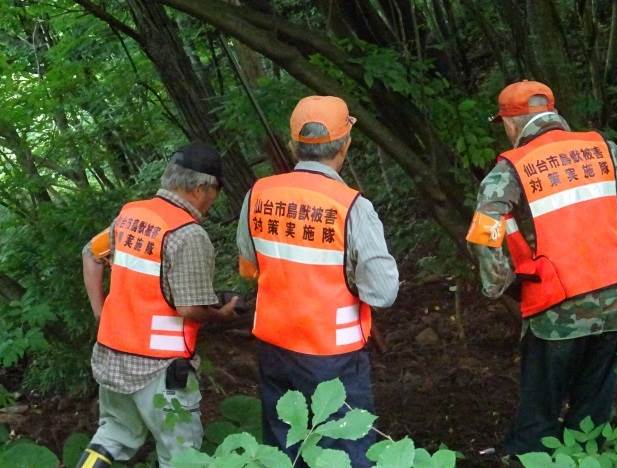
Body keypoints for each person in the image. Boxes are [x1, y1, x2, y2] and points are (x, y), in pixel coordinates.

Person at [236, 95, 399, 467]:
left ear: (294, 144)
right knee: (346, 451)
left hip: (274, 348)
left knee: (285, 450)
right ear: (346, 144)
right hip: (333, 358)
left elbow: (249, 266)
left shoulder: (258, 195)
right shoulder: (352, 206)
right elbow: (383, 291)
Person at [467, 80, 617, 458]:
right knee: (594, 407)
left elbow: (484, 230)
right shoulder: (606, 149)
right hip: (616, 301)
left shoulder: (512, 168)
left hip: (557, 311)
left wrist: (496, 283)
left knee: (540, 408)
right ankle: (587, 461)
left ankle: (528, 460)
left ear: (511, 122)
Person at [77, 141, 239, 468]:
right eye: (218, 190)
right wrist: (223, 315)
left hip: (112, 355)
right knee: (182, 457)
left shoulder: (131, 215)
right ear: (202, 187)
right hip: (162, 371)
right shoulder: (188, 234)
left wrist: (101, 313)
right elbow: (190, 309)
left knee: (112, 437)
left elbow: (90, 254)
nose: (215, 198)